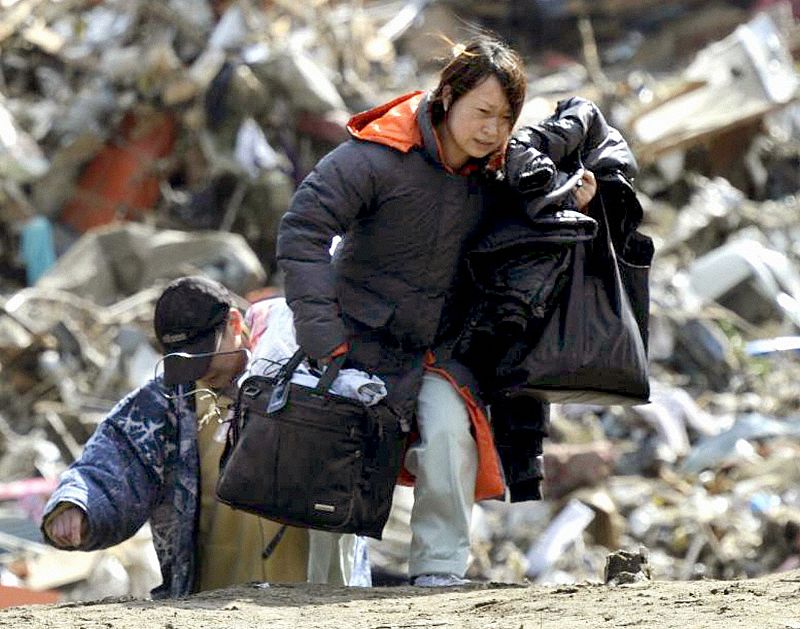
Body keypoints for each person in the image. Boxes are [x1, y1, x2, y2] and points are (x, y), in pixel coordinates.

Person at [276, 33, 597, 587]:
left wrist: (568, 202)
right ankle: (322, 596)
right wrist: (324, 339)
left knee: (450, 431)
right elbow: (302, 231)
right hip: (352, 344)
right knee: (337, 465)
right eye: (482, 112)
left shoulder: (495, 177)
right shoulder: (375, 157)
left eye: (504, 117)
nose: (492, 130)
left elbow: (524, 230)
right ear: (448, 97)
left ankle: (439, 578)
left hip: (432, 350)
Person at [41, 275, 367, 598]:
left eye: (203, 354)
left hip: (318, 600)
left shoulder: (309, 376)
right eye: (183, 360)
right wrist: (76, 506)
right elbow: (113, 459)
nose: (198, 373)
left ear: (235, 324)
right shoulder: (167, 404)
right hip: (215, 604)